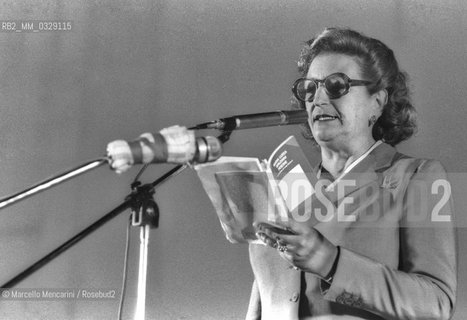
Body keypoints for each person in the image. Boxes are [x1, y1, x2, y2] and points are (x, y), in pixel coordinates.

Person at [247, 27, 457, 319]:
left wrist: (331, 263)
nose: (317, 99)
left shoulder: (418, 177)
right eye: (310, 89)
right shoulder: (284, 189)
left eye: (336, 86)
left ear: (378, 101)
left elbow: (437, 304)